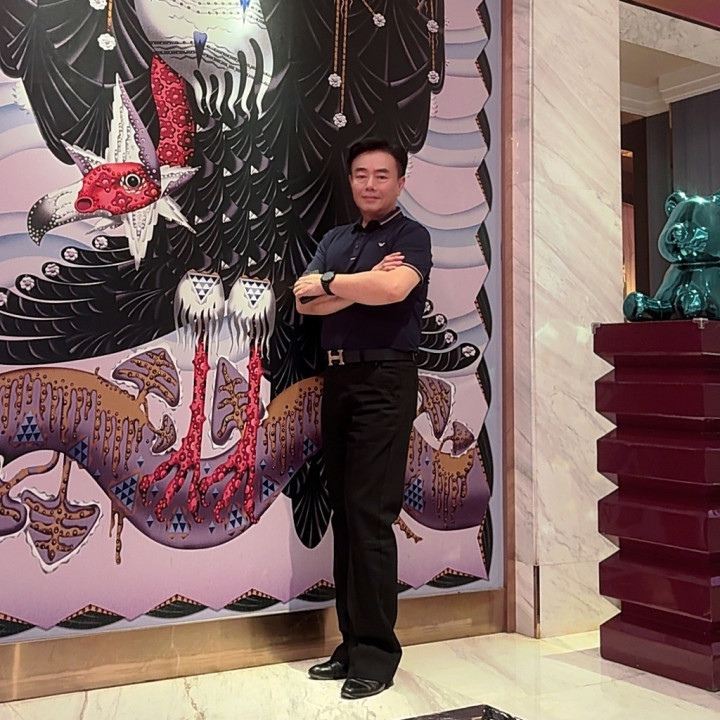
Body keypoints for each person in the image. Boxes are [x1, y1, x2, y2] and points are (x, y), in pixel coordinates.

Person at [292, 137, 432, 700]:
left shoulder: (411, 237)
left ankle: (377, 654)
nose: (370, 184)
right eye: (360, 175)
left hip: (385, 380)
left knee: (371, 516)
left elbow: (394, 287)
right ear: (350, 180)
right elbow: (303, 301)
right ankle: (350, 645)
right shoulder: (335, 239)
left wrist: (332, 285)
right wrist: (357, 287)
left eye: (381, 175)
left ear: (401, 182)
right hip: (338, 381)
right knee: (346, 516)